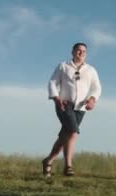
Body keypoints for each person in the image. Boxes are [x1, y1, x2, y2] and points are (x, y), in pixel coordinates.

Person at [42, 42, 102, 178]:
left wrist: (92, 99)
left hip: (81, 107)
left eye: (84, 51)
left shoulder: (91, 70)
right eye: (78, 50)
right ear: (73, 52)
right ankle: (68, 166)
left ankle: (48, 160)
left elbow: (96, 87)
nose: (81, 53)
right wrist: (56, 98)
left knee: (65, 135)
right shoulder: (63, 66)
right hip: (64, 104)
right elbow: (53, 82)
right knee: (73, 133)